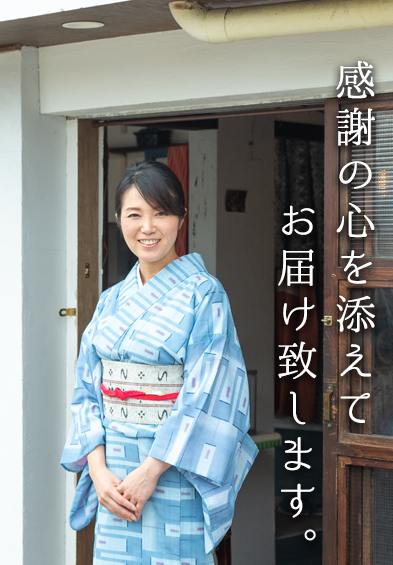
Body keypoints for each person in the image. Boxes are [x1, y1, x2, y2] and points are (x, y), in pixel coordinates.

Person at [61, 161, 258, 565]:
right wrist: (98, 473)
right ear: (118, 220)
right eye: (135, 214)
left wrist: (151, 472)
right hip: (114, 477)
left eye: (161, 213)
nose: (147, 227)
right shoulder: (111, 300)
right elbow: (86, 390)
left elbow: (208, 394)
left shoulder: (204, 294)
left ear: (181, 219)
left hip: (173, 470)